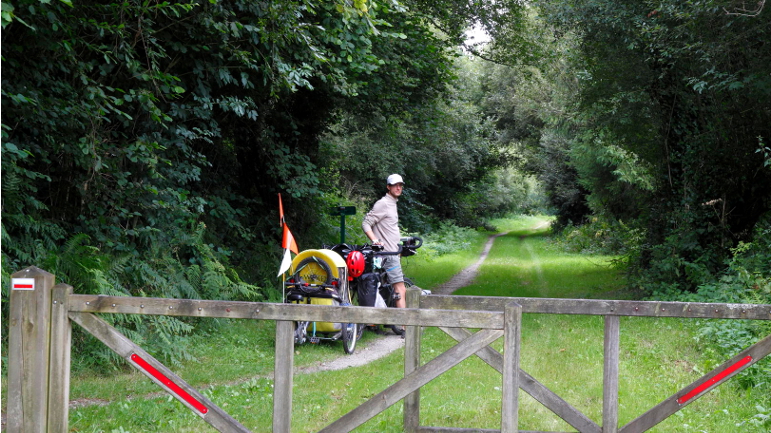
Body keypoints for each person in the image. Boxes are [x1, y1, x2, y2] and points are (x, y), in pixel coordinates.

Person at [362, 174, 407, 311]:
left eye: (400, 185)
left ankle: (385, 320)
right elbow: (366, 223)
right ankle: (405, 327)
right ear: (388, 187)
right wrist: (375, 241)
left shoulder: (392, 203)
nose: (398, 187)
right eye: (395, 185)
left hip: (393, 252)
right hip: (387, 254)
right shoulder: (383, 203)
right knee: (400, 288)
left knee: (387, 288)